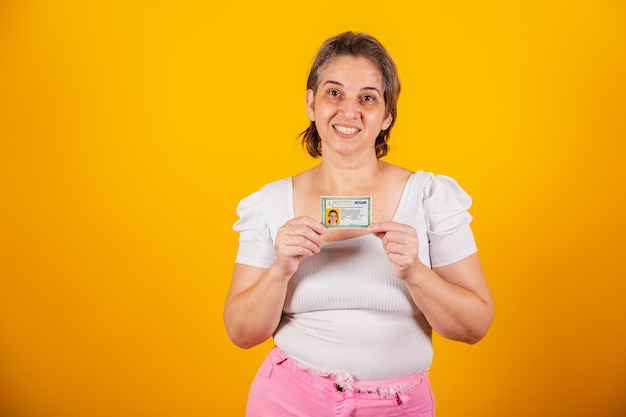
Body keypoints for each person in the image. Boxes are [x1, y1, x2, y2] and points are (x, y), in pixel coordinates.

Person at [224, 31, 494, 417]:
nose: (349, 111)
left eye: (367, 98)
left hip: (399, 407)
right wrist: (279, 270)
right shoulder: (269, 204)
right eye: (334, 93)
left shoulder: (431, 197)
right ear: (310, 102)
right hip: (288, 403)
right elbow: (241, 333)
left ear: (386, 116)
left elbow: (474, 327)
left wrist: (415, 272)